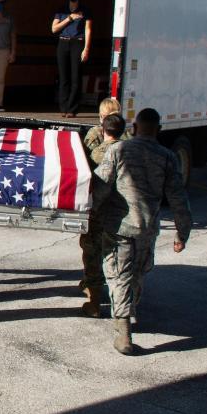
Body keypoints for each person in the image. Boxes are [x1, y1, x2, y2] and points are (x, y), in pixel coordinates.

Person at [92, 108, 192, 354]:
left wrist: (90, 212)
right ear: (159, 130)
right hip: (147, 228)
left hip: (119, 226)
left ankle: (123, 330)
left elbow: (101, 186)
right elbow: (178, 198)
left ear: (134, 128)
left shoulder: (118, 150)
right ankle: (128, 312)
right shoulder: (167, 157)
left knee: (119, 276)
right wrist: (182, 232)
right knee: (137, 273)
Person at [78, 113, 125, 317]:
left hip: (100, 213)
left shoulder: (98, 153)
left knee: (93, 254)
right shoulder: (131, 151)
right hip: (124, 215)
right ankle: (122, 302)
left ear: (103, 130)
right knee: (122, 259)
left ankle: (94, 301)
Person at [51, 0, 93, 117]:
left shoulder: (85, 10)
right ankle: (63, 108)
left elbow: (88, 29)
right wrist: (70, 18)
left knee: (76, 76)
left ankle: (72, 109)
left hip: (78, 42)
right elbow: (54, 29)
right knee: (63, 77)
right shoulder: (62, 10)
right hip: (63, 42)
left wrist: (86, 48)